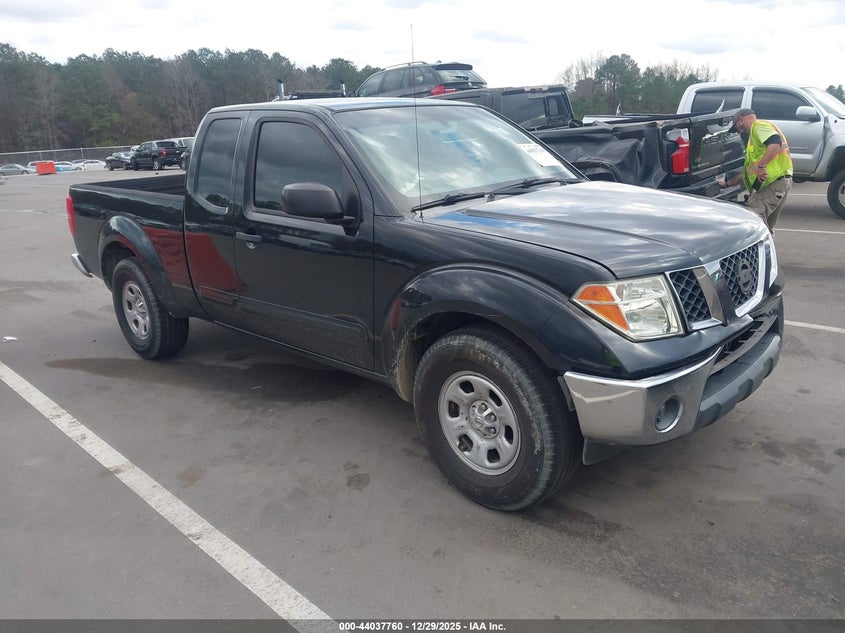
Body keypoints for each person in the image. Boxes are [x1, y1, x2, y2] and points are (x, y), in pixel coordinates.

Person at [717, 108, 793, 232]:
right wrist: (726, 184)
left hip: (771, 184)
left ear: (741, 120)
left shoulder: (757, 126)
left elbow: (775, 142)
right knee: (766, 228)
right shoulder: (756, 138)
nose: (738, 131)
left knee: (753, 225)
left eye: (737, 127)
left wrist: (762, 166)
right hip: (780, 182)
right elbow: (748, 173)